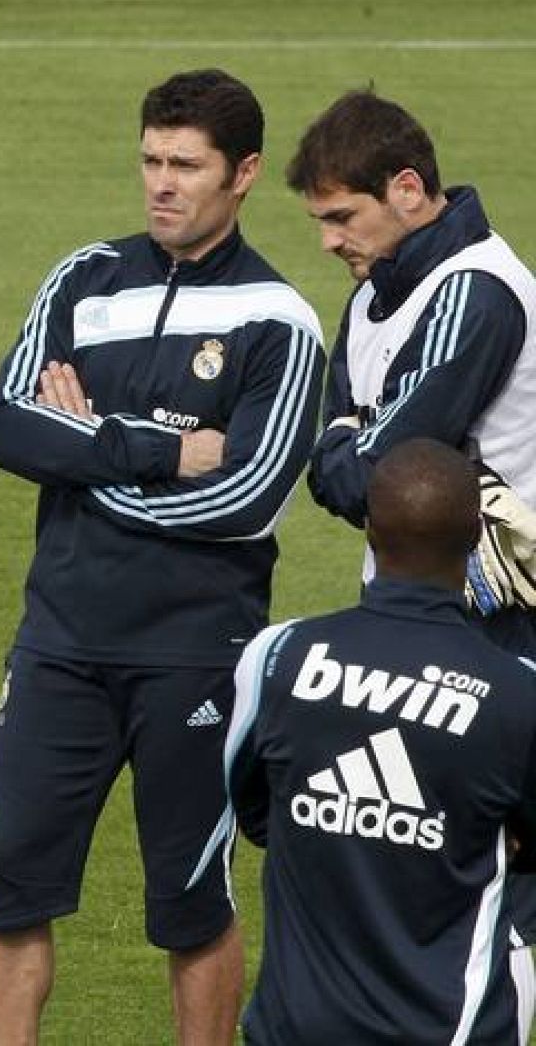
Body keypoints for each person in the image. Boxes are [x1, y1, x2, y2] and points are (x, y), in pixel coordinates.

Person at [0, 68, 326, 1045]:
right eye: (149, 161)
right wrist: (160, 446)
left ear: (243, 173)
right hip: (59, 645)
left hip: (193, 654)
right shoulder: (82, 278)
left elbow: (249, 497)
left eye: (186, 165)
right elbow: (7, 428)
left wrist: (85, 448)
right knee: (11, 889)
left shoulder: (278, 321)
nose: (161, 184)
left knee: (191, 901)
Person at [212, 438, 536, 1044]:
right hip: (447, 1029)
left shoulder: (277, 657)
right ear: (475, 541)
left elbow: (258, 812)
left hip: (293, 1027)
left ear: (368, 529)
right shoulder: (517, 696)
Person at [286, 89, 536, 655]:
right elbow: (343, 473)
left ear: (407, 189)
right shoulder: (373, 291)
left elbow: (365, 477)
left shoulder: (475, 292)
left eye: (342, 218)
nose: (328, 242)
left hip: (495, 623)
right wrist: (349, 453)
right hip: (401, 606)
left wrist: (349, 444)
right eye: (320, 222)